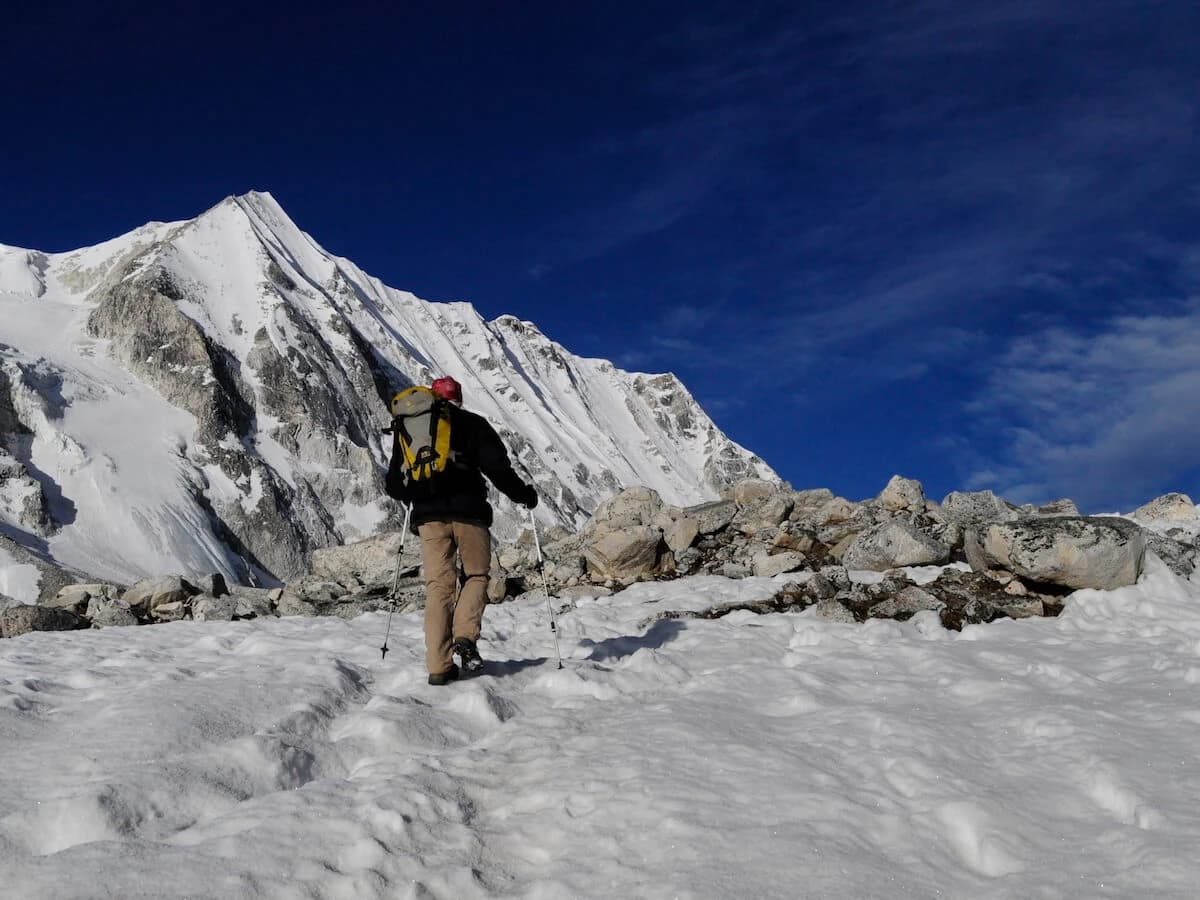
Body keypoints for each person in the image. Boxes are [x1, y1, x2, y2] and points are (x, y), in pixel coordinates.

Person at [385, 376, 538, 685]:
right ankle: (465, 637)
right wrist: (524, 495)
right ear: (459, 399)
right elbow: (498, 469)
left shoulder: (409, 429)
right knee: (476, 576)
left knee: (438, 587)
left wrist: (419, 492)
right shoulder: (473, 423)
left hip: (428, 518)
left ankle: (438, 667)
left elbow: (394, 485)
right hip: (470, 514)